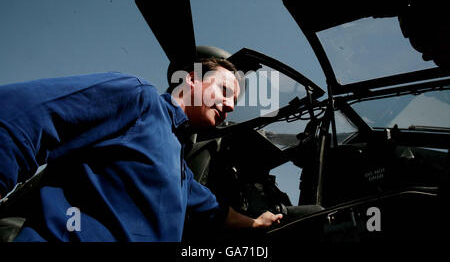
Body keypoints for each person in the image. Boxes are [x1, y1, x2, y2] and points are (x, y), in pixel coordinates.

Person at [0, 58, 282, 241]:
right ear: (192, 80)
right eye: (223, 90)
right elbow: (24, 114)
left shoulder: (181, 171)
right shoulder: (138, 98)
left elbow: (215, 212)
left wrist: (256, 223)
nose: (231, 105)